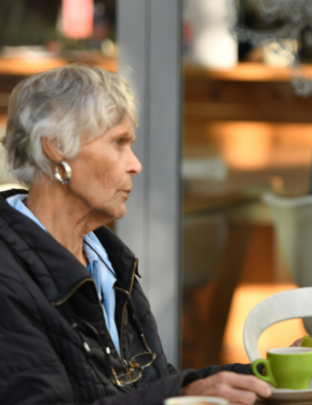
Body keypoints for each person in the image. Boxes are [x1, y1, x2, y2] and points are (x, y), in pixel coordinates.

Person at [0, 65, 270, 405]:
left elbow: (152, 383)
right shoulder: (8, 275)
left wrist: (269, 375)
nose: (135, 164)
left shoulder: (108, 258)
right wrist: (175, 395)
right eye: (119, 142)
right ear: (56, 149)